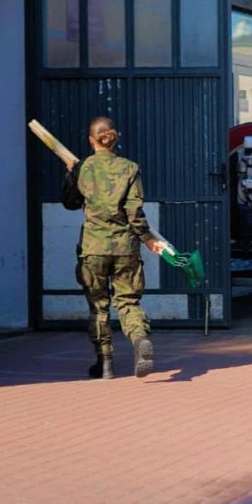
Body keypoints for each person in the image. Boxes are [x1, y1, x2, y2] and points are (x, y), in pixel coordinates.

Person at [61, 116, 166, 380]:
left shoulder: (83, 167)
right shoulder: (130, 168)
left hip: (93, 248)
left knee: (98, 305)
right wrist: (147, 238)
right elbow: (134, 211)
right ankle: (140, 339)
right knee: (128, 301)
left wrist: (70, 174)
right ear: (114, 138)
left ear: (91, 139)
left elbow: (70, 203)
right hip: (125, 247)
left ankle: (105, 363)